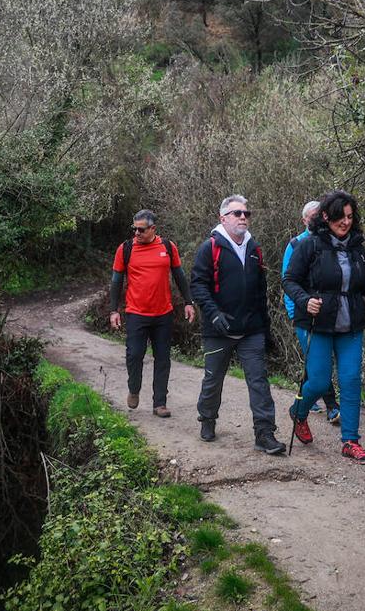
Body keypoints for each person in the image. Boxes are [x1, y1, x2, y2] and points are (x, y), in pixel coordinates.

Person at [282, 190, 365, 464]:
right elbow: (289, 280)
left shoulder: (357, 248)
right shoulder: (309, 245)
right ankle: (299, 412)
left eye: (349, 217)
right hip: (315, 323)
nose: (345, 222)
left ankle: (350, 441)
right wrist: (305, 299)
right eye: (339, 217)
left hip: (350, 325)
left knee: (351, 380)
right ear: (325, 216)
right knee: (320, 381)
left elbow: (361, 286)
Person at [190, 195, 286, 455]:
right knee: (213, 380)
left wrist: (266, 331)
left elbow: (260, 292)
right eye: (237, 213)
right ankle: (207, 418)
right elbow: (197, 285)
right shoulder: (209, 248)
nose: (243, 217)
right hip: (218, 330)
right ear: (223, 218)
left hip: (251, 330)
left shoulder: (254, 249)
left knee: (259, 381)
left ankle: (264, 434)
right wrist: (213, 314)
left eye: (246, 212)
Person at [109, 210, 196, 417]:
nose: (136, 233)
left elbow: (179, 276)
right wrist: (114, 310)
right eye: (134, 229)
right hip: (136, 313)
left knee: (163, 358)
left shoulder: (167, 247)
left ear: (153, 229)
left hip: (163, 313)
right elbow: (116, 281)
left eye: (141, 229)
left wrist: (188, 302)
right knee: (134, 355)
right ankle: (134, 388)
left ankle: (160, 403)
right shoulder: (126, 249)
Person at [282, 200, 340, 425]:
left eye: (321, 215)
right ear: (305, 220)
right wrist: (292, 311)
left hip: (329, 315)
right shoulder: (296, 244)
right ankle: (332, 407)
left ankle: (305, 396)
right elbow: (288, 280)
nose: (318, 219)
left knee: (315, 362)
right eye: (313, 216)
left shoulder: (332, 242)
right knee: (320, 363)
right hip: (304, 315)